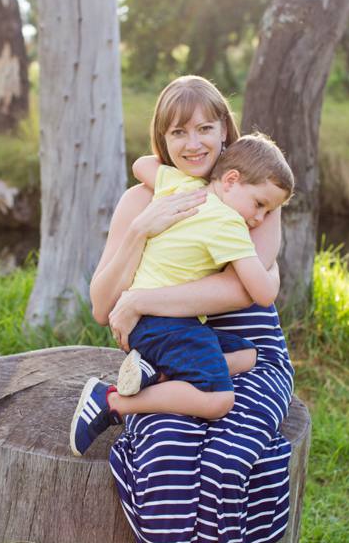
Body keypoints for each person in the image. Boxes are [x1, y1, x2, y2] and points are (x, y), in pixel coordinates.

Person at [88, 75, 295, 543]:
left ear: (226, 132)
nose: (193, 141)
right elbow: (103, 305)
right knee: (166, 457)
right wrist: (141, 229)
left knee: (231, 464)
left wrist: (144, 298)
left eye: (206, 128)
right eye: (179, 130)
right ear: (164, 137)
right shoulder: (147, 197)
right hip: (178, 361)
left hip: (250, 357)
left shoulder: (256, 194)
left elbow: (244, 290)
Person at [70, 133, 294, 456]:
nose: (259, 218)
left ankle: (154, 372)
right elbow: (261, 292)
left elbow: (142, 164)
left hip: (156, 322)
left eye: (268, 211)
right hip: (162, 323)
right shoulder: (230, 223)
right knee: (220, 400)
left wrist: (194, 176)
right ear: (231, 179)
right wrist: (272, 268)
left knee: (248, 356)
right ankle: (111, 402)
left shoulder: (183, 189)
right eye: (260, 205)